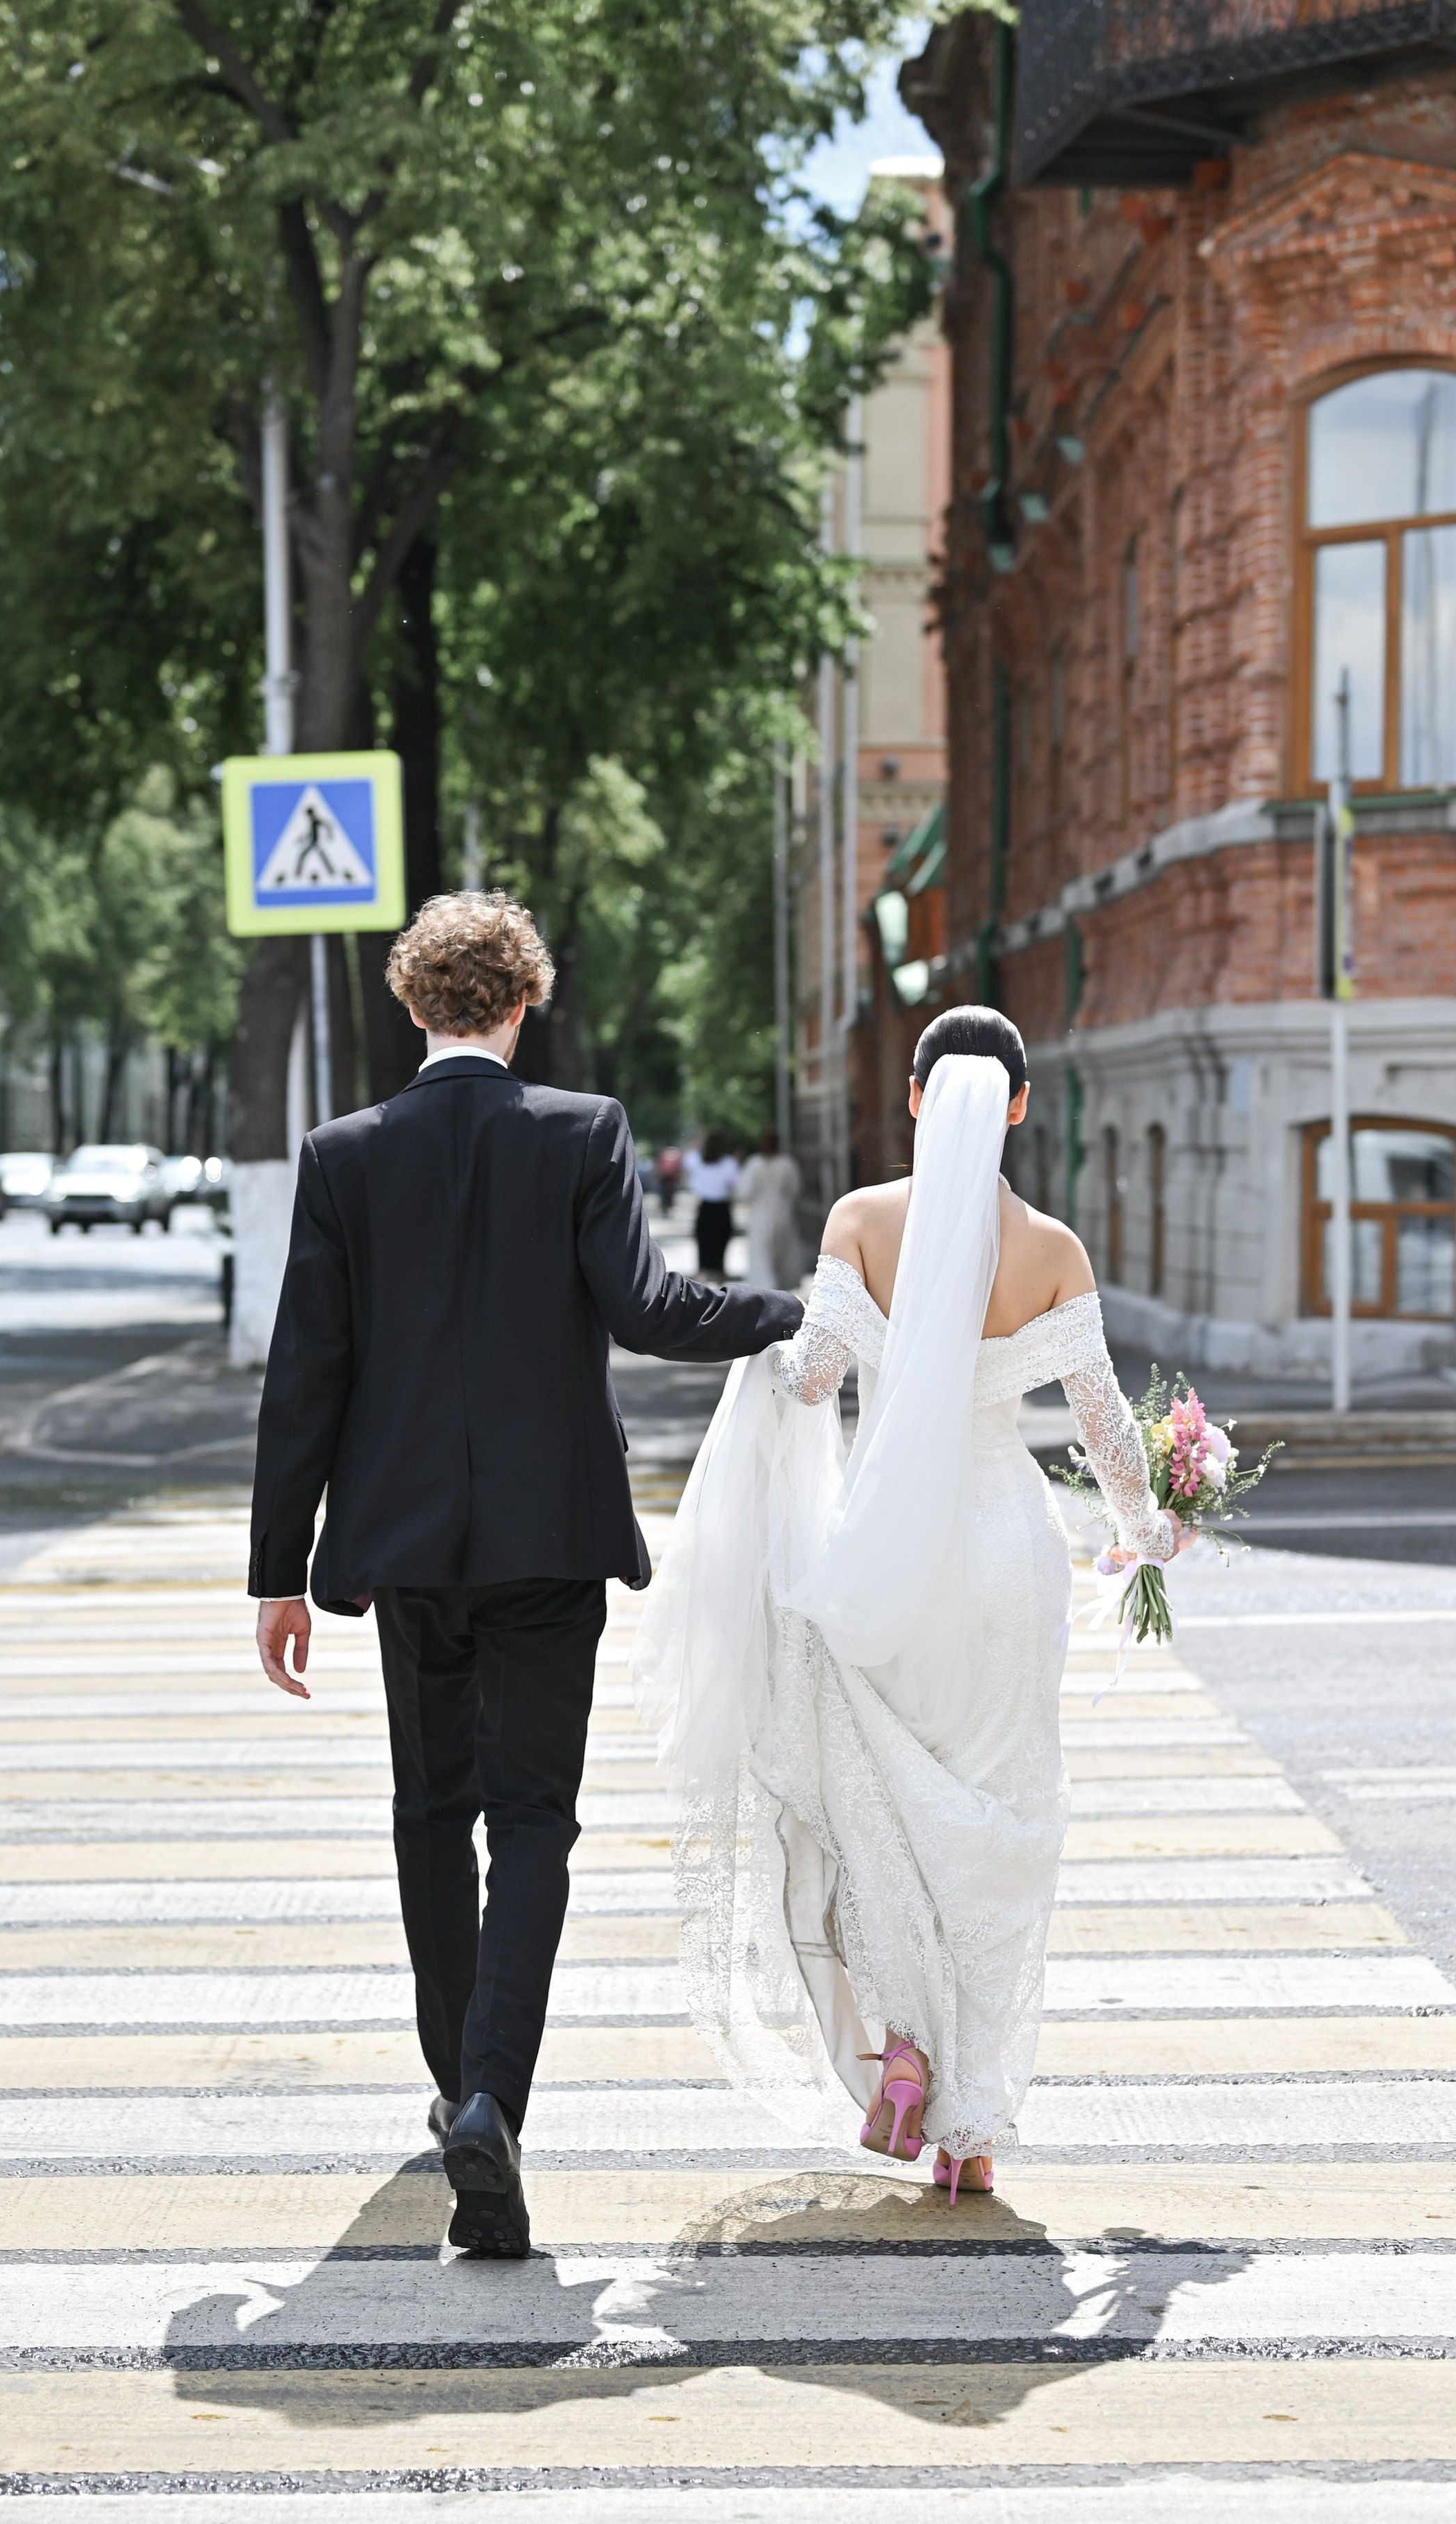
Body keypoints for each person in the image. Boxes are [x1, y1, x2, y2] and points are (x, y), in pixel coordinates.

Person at [248, 891, 804, 2258]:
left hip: (401, 1551)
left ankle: (458, 2091)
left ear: (410, 1003)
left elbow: (304, 1370)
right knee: (533, 1822)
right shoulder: (580, 1131)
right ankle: (495, 2094)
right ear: (520, 1003)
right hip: (550, 1543)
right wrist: (801, 1311)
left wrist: (277, 1568)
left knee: (429, 1814)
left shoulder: (342, 1154)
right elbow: (649, 1310)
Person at [634, 1006, 1181, 2200]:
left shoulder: (862, 1222)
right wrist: (1152, 1524)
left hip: (886, 1553)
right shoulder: (1051, 1248)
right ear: (1022, 1105)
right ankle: (972, 2135)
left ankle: (906, 2049)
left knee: (879, 1808)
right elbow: (1101, 1424)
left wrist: (763, 1360)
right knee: (992, 1819)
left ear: (922, 1100)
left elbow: (816, 1376)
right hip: (1000, 1555)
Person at [738, 1127, 803, 1290]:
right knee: (782, 1251)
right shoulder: (787, 1164)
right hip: (783, 1211)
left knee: (762, 1252)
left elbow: (744, 1192)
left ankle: (766, 1286)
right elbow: (796, 1189)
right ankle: (781, 1285)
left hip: (761, 1213)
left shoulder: (754, 1164)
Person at [683, 1129, 741, 1280]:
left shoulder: (697, 1160)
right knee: (721, 1244)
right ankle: (721, 1275)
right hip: (722, 1208)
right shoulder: (729, 1163)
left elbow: (687, 1162)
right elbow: (736, 1184)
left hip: (705, 1208)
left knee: (704, 1244)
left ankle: (702, 1275)